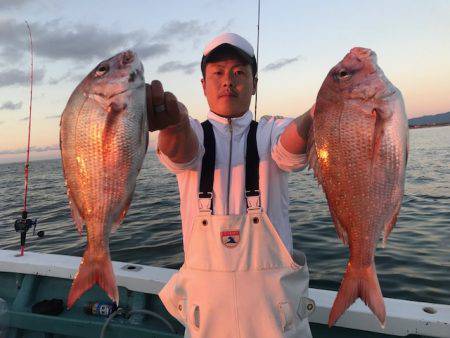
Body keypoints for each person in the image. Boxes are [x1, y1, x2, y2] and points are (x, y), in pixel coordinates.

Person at [147, 32, 315, 338]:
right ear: (203, 85)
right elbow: (179, 153)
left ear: (254, 84)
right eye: (218, 73)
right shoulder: (192, 133)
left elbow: (291, 148)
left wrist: (320, 111)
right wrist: (174, 121)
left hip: (278, 322)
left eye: (239, 72)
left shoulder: (270, 131)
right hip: (207, 322)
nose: (228, 81)